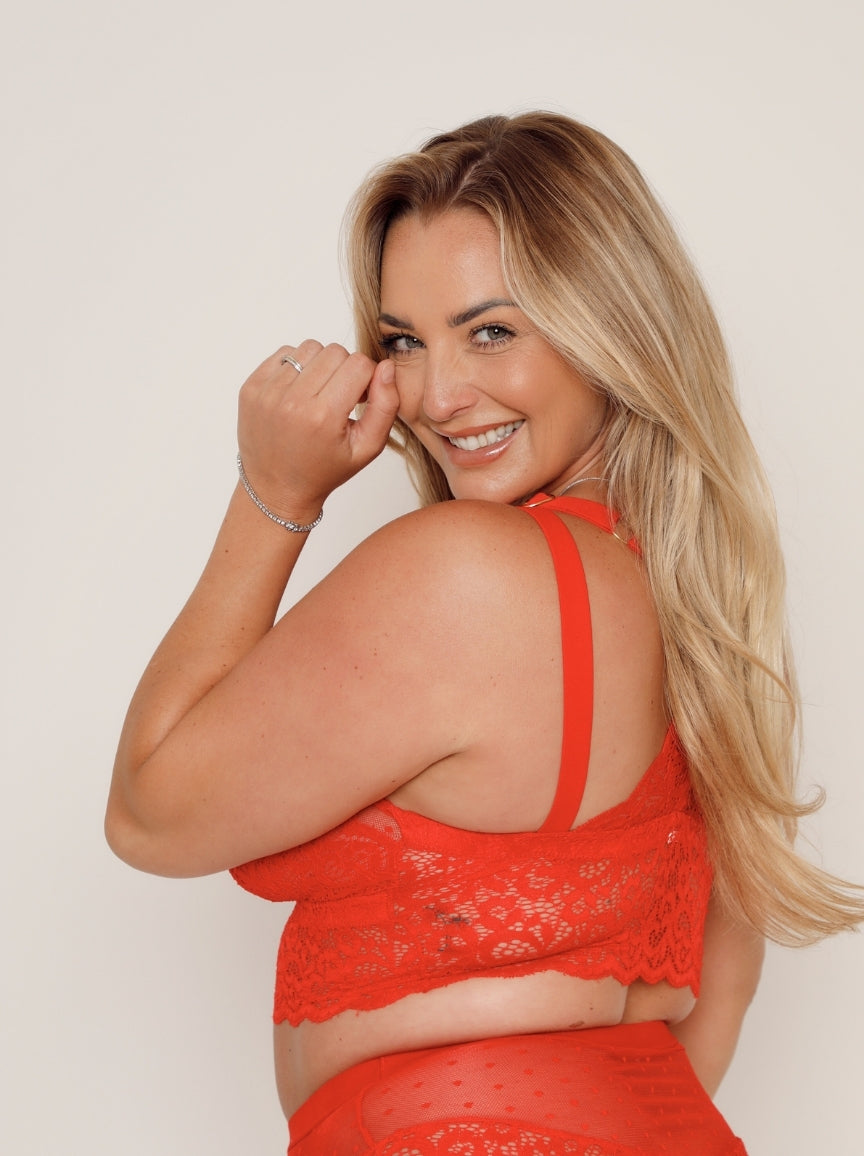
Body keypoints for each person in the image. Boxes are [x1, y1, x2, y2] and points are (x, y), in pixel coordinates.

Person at [106, 112, 864, 1154]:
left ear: (613, 326)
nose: (439, 394)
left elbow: (149, 810)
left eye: (493, 329)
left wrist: (272, 494)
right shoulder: (704, 607)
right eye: (405, 341)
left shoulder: (471, 570)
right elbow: (717, 999)